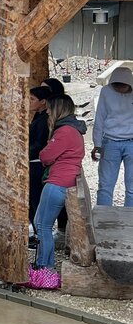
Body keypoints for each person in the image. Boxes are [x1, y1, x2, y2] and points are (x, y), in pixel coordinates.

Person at [33, 95, 86, 288]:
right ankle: (45, 264)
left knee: (42, 225)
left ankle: (44, 267)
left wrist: (45, 150)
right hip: (67, 180)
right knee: (42, 223)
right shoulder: (75, 129)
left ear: (58, 110)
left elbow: (46, 156)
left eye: (49, 108)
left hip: (57, 181)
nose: (47, 111)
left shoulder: (64, 131)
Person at [92, 66, 133, 207]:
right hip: (110, 142)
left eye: (123, 85)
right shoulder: (106, 91)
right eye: (118, 85)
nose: (121, 88)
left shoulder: (106, 91)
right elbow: (99, 118)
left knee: (128, 188)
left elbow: (100, 119)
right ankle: (104, 218)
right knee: (106, 186)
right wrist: (97, 144)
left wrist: (97, 145)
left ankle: (128, 218)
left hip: (122, 143)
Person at [27, 86, 52, 242]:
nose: (29, 102)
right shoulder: (38, 116)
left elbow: (40, 143)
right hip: (34, 161)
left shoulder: (44, 120)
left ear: (43, 102)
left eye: (32, 99)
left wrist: (25, 152)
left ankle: (39, 234)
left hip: (36, 163)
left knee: (36, 199)